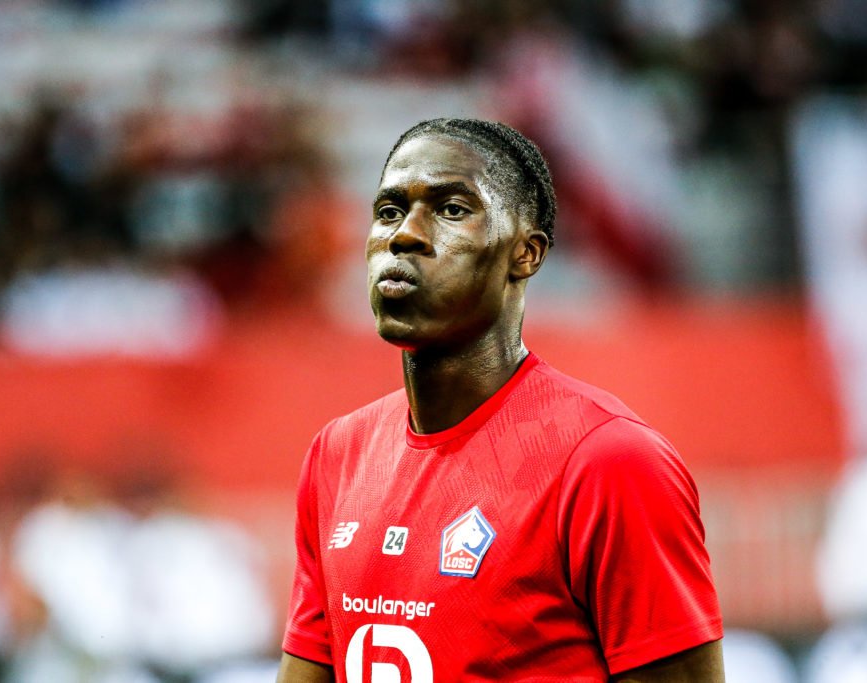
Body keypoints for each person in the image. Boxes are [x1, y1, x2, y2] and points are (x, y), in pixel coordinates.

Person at [277, 118, 723, 682]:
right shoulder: (338, 455)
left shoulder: (609, 462)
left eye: (451, 209)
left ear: (526, 254)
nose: (405, 235)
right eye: (389, 211)